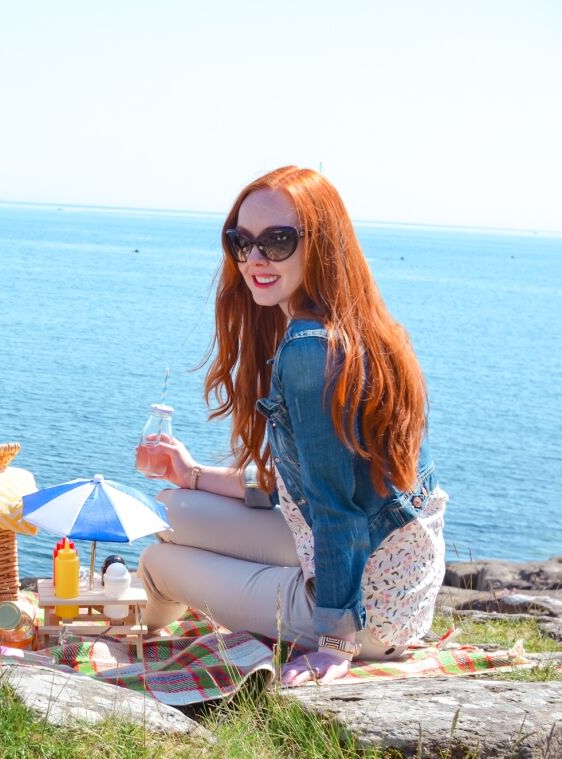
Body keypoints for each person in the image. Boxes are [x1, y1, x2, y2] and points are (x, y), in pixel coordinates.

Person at [135, 166, 446, 686]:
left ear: (320, 244)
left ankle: (144, 643)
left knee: (155, 559)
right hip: (401, 577)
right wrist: (191, 474)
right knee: (169, 508)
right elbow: (308, 490)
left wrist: (334, 645)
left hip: (364, 610)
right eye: (242, 241)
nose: (255, 259)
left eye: (277, 241)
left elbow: (334, 511)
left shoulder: (309, 351)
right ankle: (203, 603)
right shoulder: (366, 327)